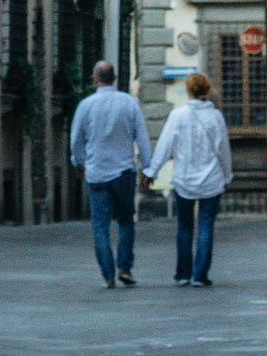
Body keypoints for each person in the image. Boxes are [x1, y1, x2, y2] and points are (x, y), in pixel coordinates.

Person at [142, 71, 232, 288]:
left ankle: (183, 273)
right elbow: (224, 151)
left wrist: (151, 172)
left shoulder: (178, 115)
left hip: (184, 180)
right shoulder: (216, 117)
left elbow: (164, 146)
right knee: (205, 226)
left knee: (184, 226)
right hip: (211, 179)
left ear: (189, 91)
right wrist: (227, 176)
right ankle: (200, 275)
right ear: (207, 90)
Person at [69, 59, 151, 289]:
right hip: (124, 172)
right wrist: (147, 168)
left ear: (95, 79)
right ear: (114, 78)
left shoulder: (85, 105)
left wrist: (78, 162)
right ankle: (124, 267)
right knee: (126, 221)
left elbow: (76, 139)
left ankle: (108, 275)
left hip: (96, 173)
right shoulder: (129, 103)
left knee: (100, 226)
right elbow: (142, 138)